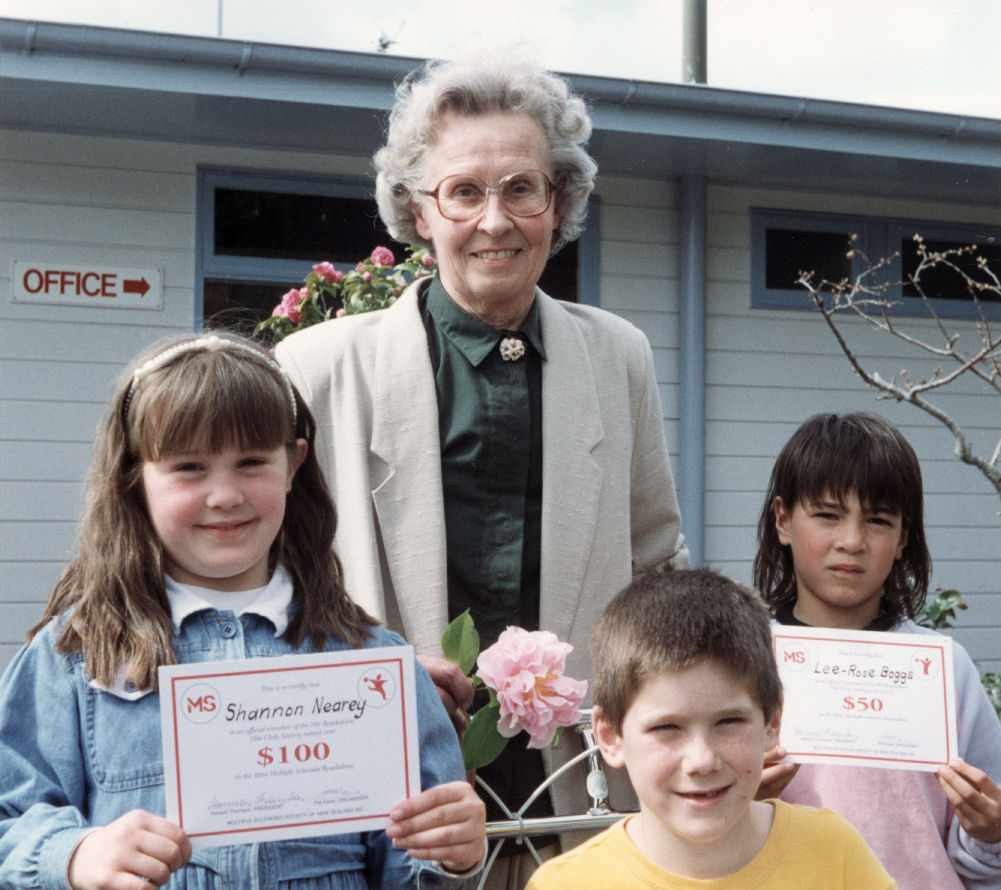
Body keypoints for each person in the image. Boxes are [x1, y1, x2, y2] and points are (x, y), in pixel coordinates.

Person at [276, 51, 688, 881]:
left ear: (558, 202)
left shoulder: (620, 357)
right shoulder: (313, 369)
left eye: (521, 189)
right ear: (420, 213)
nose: (493, 221)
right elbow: (272, 590)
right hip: (392, 811)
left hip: (582, 801)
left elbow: (656, 571)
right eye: (463, 191)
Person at [0, 332, 485, 889]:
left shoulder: (374, 665)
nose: (224, 495)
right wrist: (74, 855)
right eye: (188, 467)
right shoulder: (76, 656)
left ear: (294, 461)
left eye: (251, 461)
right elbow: (9, 819)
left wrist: (452, 857)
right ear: (136, 477)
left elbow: (407, 867)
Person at [525, 567, 895, 888]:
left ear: (772, 721)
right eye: (667, 727)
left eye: (729, 722)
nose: (702, 761)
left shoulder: (835, 854)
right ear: (610, 736)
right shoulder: (565, 884)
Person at [753, 411, 1001, 890]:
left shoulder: (945, 670)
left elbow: (981, 862)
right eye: (827, 515)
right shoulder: (739, 662)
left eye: (878, 520)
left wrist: (990, 834)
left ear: (904, 536)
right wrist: (733, 806)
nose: (852, 542)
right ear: (783, 519)